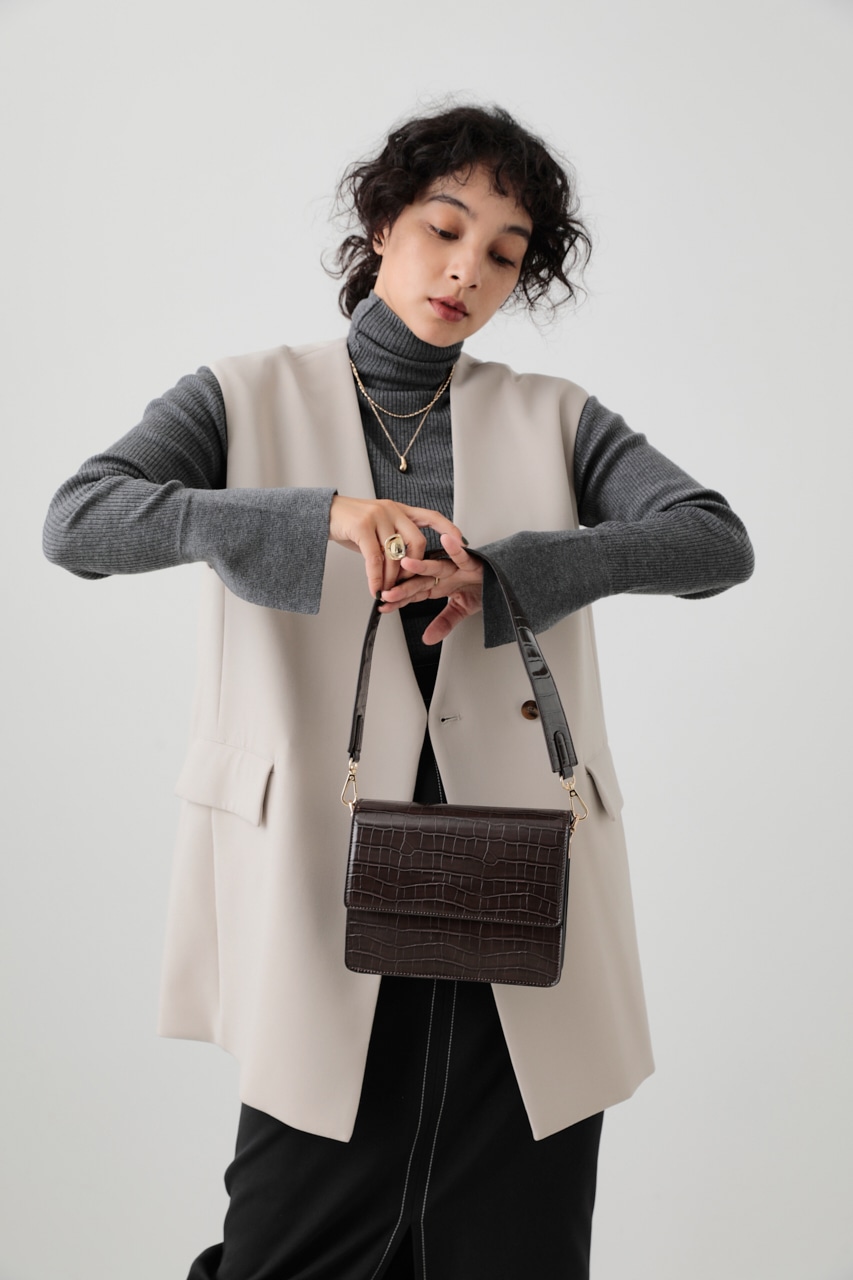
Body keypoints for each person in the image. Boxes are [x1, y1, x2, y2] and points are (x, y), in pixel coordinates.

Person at [43, 103, 754, 1280]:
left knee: (515, 1243)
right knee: (291, 1238)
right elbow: (80, 520)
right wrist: (322, 515)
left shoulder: (556, 416)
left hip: (518, 891)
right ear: (381, 224)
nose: (467, 270)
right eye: (444, 228)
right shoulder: (242, 395)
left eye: (505, 254)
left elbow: (712, 541)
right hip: (318, 882)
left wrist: (509, 569)